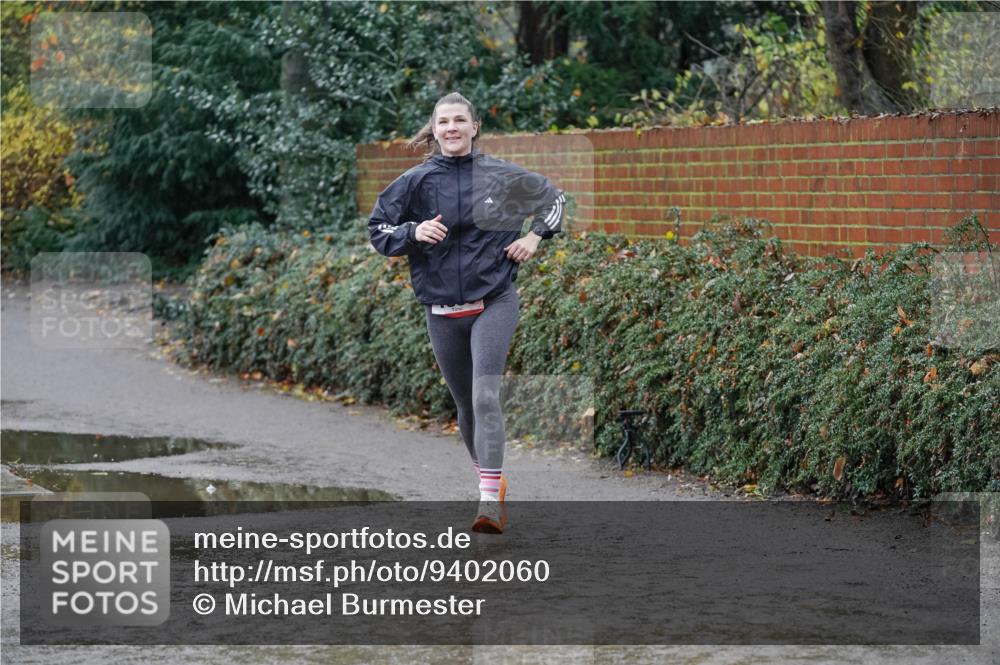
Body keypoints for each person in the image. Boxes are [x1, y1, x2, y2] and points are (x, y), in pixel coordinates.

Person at [367, 91, 565, 533]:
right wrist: (413, 231)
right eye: (444, 122)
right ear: (434, 130)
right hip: (441, 311)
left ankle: (488, 503)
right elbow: (378, 231)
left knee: (485, 396)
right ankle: (492, 481)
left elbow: (554, 200)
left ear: (475, 127)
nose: (452, 128)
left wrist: (534, 238)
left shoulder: (501, 175)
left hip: (493, 300)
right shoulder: (414, 182)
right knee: (466, 406)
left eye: (460, 120)